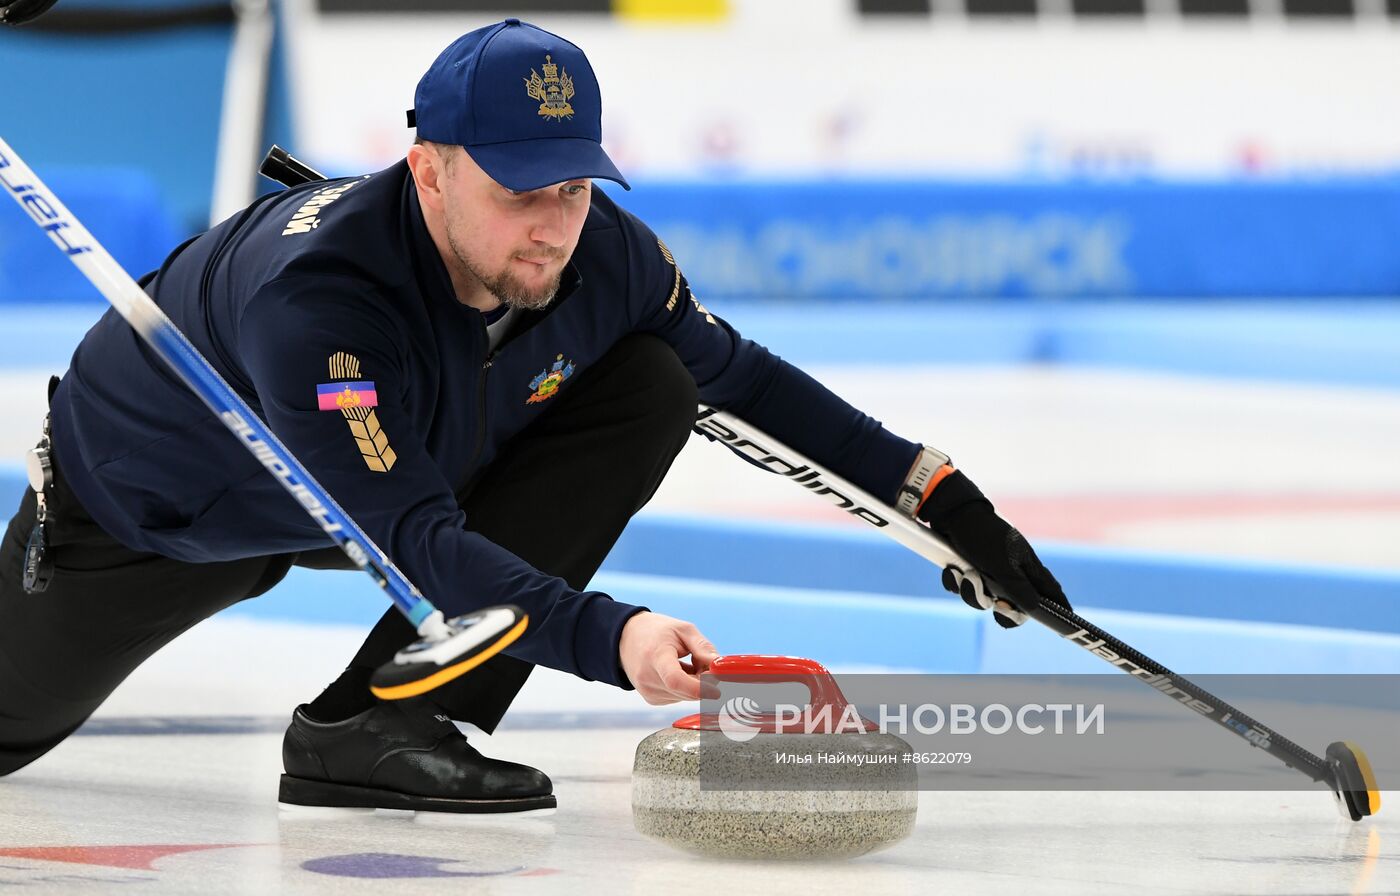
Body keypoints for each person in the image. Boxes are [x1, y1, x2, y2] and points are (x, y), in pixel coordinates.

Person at [0, 19, 1070, 815]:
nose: (551, 223)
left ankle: (387, 717)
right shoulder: (320, 303)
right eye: (519, 189)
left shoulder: (600, 258)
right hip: (146, 513)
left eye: (573, 186)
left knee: (654, 380)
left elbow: (746, 383)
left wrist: (940, 499)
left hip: (377, 477)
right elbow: (412, 544)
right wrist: (614, 635)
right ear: (427, 167)